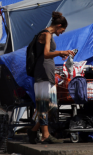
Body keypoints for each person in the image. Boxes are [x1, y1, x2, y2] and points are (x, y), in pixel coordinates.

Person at [28, 11, 74, 144]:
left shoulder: (49, 35)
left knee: (52, 106)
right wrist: (61, 52)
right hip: (42, 72)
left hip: (48, 73)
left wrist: (59, 55)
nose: (61, 33)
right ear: (58, 25)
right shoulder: (46, 34)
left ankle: (33, 131)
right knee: (43, 105)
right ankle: (45, 136)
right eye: (62, 30)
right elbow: (46, 53)